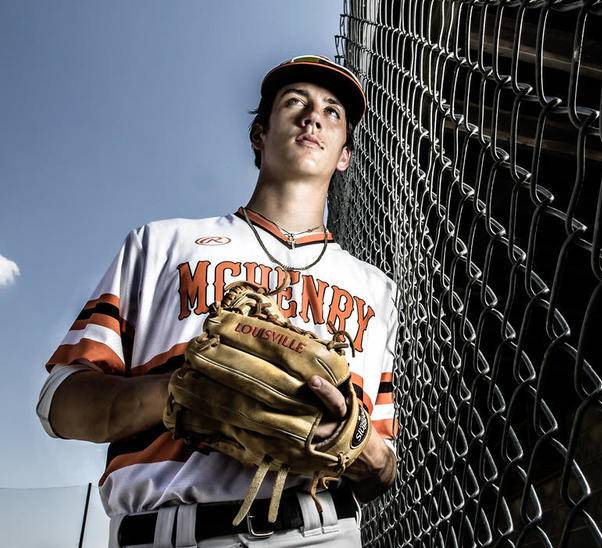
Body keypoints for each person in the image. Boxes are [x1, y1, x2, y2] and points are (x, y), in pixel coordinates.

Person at [36, 55, 398, 548]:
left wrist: (353, 442)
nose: (314, 116)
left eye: (333, 112)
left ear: (344, 156)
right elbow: (60, 404)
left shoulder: (374, 288)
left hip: (319, 531)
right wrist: (180, 390)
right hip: (164, 531)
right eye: (295, 102)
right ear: (259, 135)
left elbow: (382, 471)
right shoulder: (161, 244)